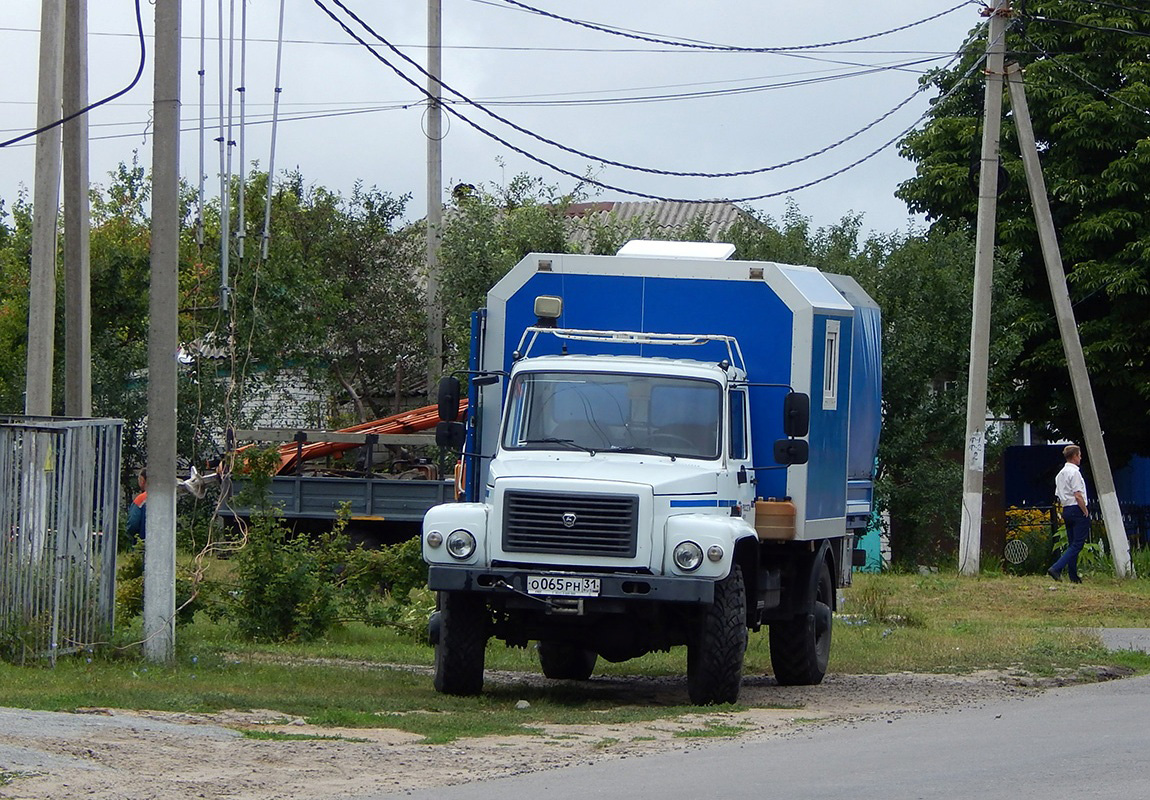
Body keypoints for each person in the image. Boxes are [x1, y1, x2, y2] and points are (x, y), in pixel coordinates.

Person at [1049, 444, 1089, 583]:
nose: (1080, 458)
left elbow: (1058, 494)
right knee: (1078, 544)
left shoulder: (1060, 474)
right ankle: (1056, 568)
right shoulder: (1075, 473)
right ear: (1074, 456)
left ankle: (1073, 575)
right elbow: (1078, 495)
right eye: (1079, 455)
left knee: (1072, 543)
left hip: (1066, 509)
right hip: (1077, 509)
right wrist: (1085, 511)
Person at [126, 468, 147, 541]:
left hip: (141, 542)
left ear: (142, 480)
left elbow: (132, 524)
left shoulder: (141, 499)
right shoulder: (165, 498)